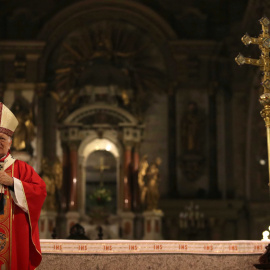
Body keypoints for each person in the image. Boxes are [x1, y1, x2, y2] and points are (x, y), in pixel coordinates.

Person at [0, 103, 46, 269]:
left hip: (14, 232)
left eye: (2, 138)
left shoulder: (22, 168)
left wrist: (12, 182)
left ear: (10, 143)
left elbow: (40, 191)